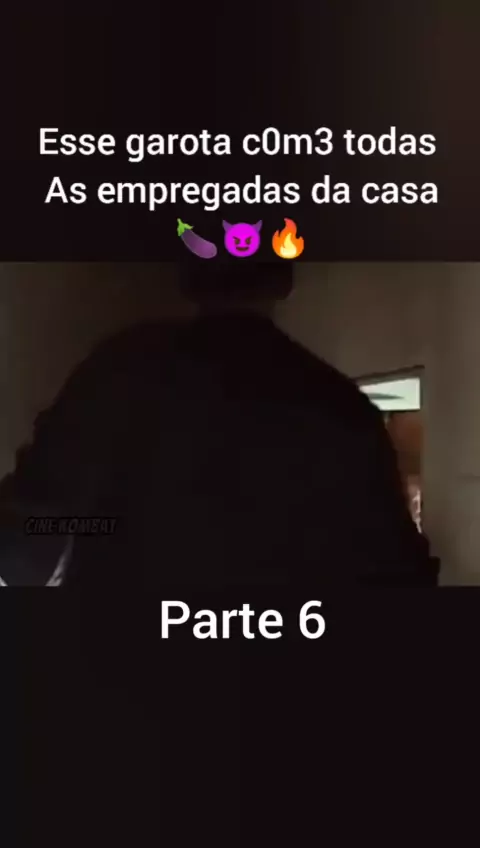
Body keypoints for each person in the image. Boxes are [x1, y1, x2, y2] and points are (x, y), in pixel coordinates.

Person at [0, 262, 439, 587]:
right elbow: (398, 576)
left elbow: (26, 545)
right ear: (282, 278)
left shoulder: (118, 375)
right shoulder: (341, 409)